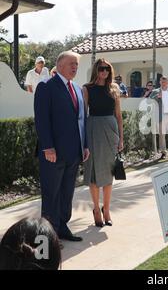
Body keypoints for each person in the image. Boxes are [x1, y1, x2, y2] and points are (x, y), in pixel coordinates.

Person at [34, 51, 89, 243]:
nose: (75, 67)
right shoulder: (46, 87)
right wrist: (48, 147)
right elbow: (42, 120)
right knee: (52, 195)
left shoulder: (77, 88)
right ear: (59, 65)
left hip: (74, 153)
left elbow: (82, 120)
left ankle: (62, 228)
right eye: (71, 64)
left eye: (77, 64)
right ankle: (48, 237)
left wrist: (85, 145)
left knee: (66, 194)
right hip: (53, 154)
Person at [83, 59, 124, 227]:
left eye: (107, 69)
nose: (104, 72)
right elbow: (82, 116)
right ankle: (96, 209)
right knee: (93, 171)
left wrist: (121, 138)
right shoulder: (87, 89)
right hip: (93, 131)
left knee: (108, 172)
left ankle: (106, 209)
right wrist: (83, 140)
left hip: (111, 131)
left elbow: (119, 116)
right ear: (96, 70)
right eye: (101, 69)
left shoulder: (114, 89)